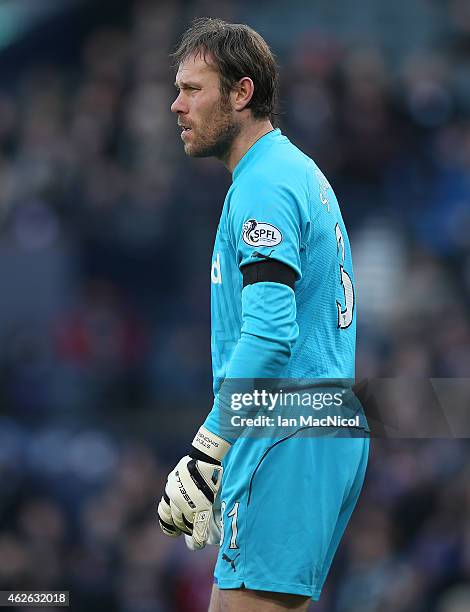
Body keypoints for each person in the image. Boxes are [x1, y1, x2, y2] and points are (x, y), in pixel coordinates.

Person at [158, 17, 369, 612]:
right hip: (315, 423)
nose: (176, 105)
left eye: (192, 89)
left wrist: (208, 448)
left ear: (242, 93)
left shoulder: (264, 184)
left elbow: (273, 335)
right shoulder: (294, 171)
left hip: (285, 427)